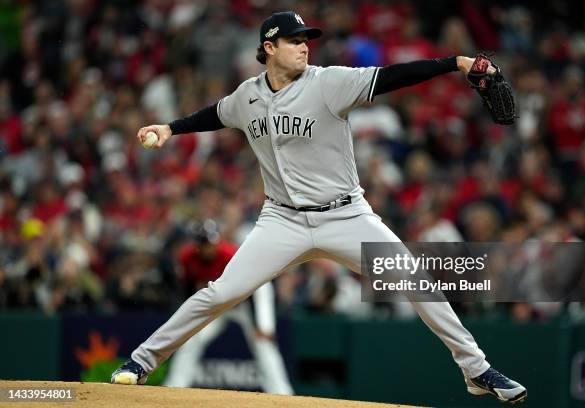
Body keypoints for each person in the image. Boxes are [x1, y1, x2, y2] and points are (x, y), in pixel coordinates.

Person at [112, 11, 527, 404]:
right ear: (269, 47)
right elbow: (216, 115)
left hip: (345, 216)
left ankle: (477, 370)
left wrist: (455, 62)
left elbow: (392, 77)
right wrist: (170, 128)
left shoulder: (329, 83)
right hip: (282, 221)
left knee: (417, 282)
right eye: (295, 41)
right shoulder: (247, 96)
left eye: (306, 40)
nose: (305, 46)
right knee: (220, 293)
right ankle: (142, 361)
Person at [163, 219, 293, 395]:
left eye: (212, 242)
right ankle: (174, 386)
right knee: (191, 338)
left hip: (249, 298)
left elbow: (258, 286)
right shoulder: (188, 258)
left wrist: (262, 325)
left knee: (263, 343)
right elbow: (187, 288)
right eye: (205, 243)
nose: (210, 246)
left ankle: (282, 393)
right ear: (197, 244)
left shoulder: (229, 253)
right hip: (220, 303)